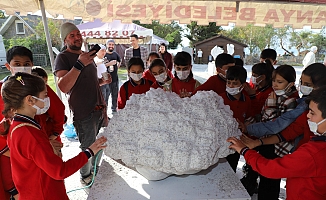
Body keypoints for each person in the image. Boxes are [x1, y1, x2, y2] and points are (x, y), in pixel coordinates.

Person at [2, 72, 107, 200]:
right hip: (46, 194)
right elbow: (59, 171)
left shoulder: (17, 124)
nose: (48, 100)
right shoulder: (31, 134)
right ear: (30, 100)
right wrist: (90, 151)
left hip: (31, 192)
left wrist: (46, 146)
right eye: (45, 95)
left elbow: (28, 153)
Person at [227, 86, 326, 200]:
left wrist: (245, 151)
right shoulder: (319, 143)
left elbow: (271, 169)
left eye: (312, 113)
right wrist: (258, 142)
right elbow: (288, 133)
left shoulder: (314, 153)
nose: (308, 116)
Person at [54, 22, 111, 184]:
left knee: (98, 143)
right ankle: (85, 176)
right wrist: (79, 64)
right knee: (88, 147)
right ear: (65, 40)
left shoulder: (87, 55)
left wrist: (102, 81)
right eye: (72, 35)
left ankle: (93, 170)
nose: (77, 37)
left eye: (78, 34)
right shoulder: (63, 57)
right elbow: (63, 86)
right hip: (83, 112)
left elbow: (85, 81)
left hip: (99, 108)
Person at [218, 65, 253, 172]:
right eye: (228, 82)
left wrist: (245, 125)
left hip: (236, 143)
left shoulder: (246, 100)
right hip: (221, 141)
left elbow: (250, 117)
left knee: (232, 168)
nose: (231, 86)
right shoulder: (219, 98)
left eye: (235, 83)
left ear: (242, 85)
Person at [105, 39, 121, 113]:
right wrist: (109, 64)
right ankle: (104, 111)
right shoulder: (103, 54)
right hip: (105, 79)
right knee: (105, 96)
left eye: (112, 45)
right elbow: (99, 65)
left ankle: (114, 109)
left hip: (114, 78)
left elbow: (119, 61)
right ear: (106, 45)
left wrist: (117, 66)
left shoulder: (115, 54)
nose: (111, 46)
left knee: (115, 95)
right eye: (109, 44)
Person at [94, 44, 111, 110]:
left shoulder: (103, 59)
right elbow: (97, 63)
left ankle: (105, 114)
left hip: (105, 82)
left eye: (105, 51)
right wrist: (107, 63)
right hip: (100, 83)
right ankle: (102, 116)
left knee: (106, 100)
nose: (104, 53)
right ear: (97, 52)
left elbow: (103, 71)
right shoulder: (95, 59)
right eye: (102, 51)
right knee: (101, 101)